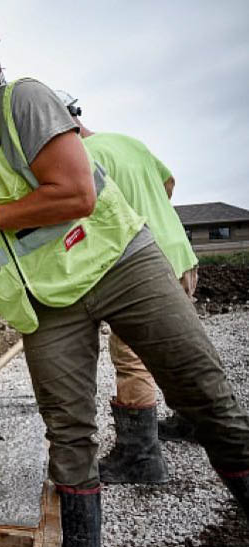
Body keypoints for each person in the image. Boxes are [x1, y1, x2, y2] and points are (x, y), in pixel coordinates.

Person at [0, 34, 249, 547]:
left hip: (118, 264)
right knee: (68, 439)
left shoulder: (21, 103)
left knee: (206, 398)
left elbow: (76, 193)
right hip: (46, 304)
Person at [55, 90, 200, 484]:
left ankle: (140, 457)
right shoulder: (127, 142)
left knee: (131, 357)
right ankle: (193, 421)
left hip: (141, 264)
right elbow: (168, 183)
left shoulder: (82, 159)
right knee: (179, 345)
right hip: (179, 251)